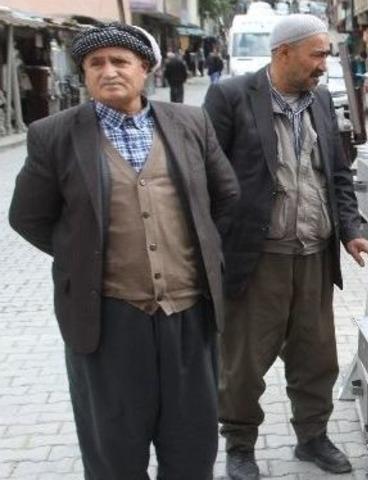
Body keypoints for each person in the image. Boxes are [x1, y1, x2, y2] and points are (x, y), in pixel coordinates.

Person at [8, 23, 240, 478]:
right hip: (108, 321)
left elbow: (226, 197)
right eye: (96, 64)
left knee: (192, 444)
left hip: (189, 315)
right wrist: (83, 257)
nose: (109, 71)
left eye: (120, 61)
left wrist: (203, 257)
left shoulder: (190, 123)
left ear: (145, 69)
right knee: (114, 448)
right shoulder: (53, 135)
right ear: (84, 75)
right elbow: (27, 217)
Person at [203, 14, 368, 479]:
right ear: (283, 52)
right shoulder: (230, 97)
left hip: (312, 258)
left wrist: (351, 229)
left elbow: (338, 176)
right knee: (244, 364)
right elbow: (207, 176)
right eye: (318, 54)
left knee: (316, 357)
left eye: (326, 54)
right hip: (256, 259)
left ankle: (312, 438)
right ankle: (240, 446)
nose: (324, 64)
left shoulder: (321, 100)